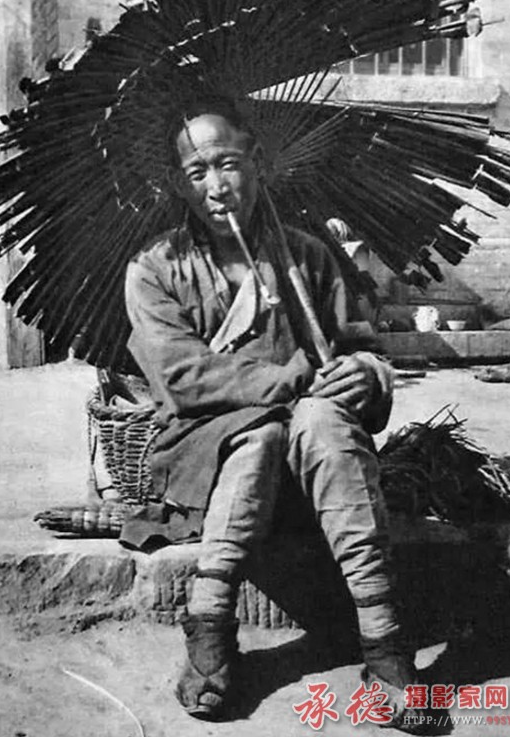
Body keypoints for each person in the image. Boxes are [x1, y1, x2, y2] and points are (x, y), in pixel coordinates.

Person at [122, 99, 422, 732]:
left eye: (227, 164)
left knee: (324, 423)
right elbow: (181, 378)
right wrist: (293, 379)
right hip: (209, 458)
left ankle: (386, 644)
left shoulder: (308, 256)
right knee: (259, 435)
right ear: (179, 182)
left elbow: (360, 347)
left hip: (311, 473)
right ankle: (209, 629)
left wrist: (363, 374)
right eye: (197, 172)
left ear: (256, 161)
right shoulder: (155, 268)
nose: (215, 186)